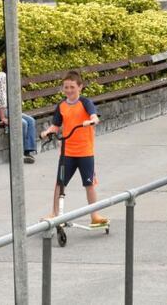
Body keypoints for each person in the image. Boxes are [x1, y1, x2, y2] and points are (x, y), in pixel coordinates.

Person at [40, 71, 107, 225]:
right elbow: (56, 125)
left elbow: (94, 115)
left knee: (89, 184)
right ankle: (54, 213)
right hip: (67, 152)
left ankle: (94, 215)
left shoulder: (85, 102)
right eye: (66, 87)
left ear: (80, 87)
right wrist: (48, 132)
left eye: (72, 87)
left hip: (85, 152)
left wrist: (92, 120)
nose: (69, 90)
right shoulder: (61, 106)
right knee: (60, 183)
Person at [0, 58, 39, 164]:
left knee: (30, 120)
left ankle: (27, 151)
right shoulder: (2, 77)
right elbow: (0, 99)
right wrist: (3, 118)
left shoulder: (8, 77)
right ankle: (18, 154)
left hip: (6, 110)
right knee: (22, 123)